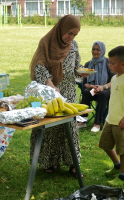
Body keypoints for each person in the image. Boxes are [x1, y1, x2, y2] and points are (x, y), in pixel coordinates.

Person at [29, 15, 84, 177]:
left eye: (74, 35)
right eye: (69, 33)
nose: (71, 37)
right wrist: (51, 86)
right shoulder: (46, 43)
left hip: (68, 92)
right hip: (49, 92)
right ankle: (49, 162)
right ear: (61, 28)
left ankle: (74, 164)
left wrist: (81, 72)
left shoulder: (73, 45)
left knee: (70, 128)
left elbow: (76, 66)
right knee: (49, 128)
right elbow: (39, 66)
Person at [98, 46, 124, 187]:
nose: (109, 65)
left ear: (123, 64)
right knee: (105, 144)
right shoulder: (115, 77)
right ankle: (116, 165)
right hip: (111, 120)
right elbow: (113, 83)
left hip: (122, 123)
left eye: (112, 63)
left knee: (123, 150)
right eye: (109, 62)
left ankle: (123, 176)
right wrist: (103, 87)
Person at [77, 41, 114, 133]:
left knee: (102, 95)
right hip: (93, 89)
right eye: (93, 49)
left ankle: (97, 124)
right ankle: (82, 121)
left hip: (107, 90)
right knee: (85, 92)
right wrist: (91, 86)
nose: (95, 51)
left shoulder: (108, 63)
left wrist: (103, 87)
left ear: (103, 51)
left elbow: (114, 80)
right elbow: (85, 83)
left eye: (98, 50)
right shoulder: (88, 64)